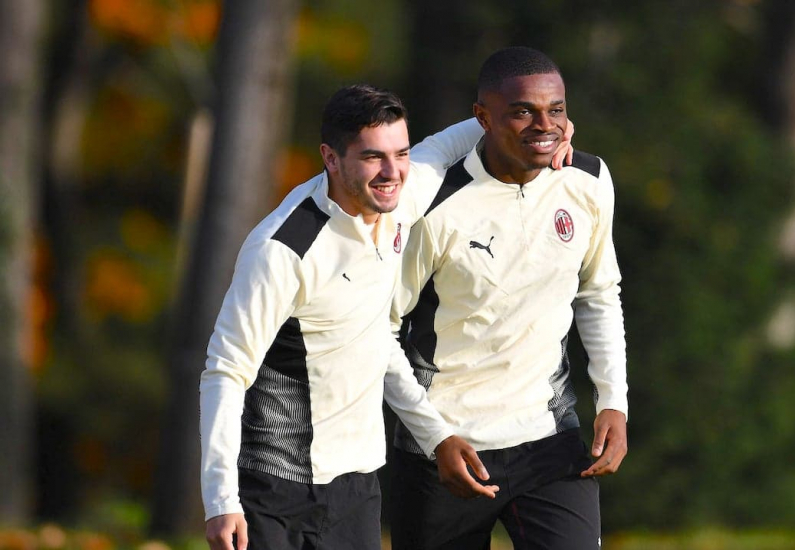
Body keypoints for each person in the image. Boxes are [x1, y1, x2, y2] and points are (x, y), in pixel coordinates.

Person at [200, 84, 573, 550]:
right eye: (372, 157)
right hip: (273, 489)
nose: (392, 171)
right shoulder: (282, 251)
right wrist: (221, 500)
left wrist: (546, 131)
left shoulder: (402, 194)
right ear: (330, 158)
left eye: (401, 153)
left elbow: (471, 131)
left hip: (357, 488)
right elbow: (225, 372)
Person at [385, 47, 628, 549]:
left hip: (548, 439)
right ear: (482, 118)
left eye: (556, 110)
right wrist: (433, 436)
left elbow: (600, 292)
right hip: (446, 450)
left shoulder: (589, 180)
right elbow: (380, 331)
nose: (545, 126)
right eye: (523, 112)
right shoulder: (432, 204)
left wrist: (613, 401)